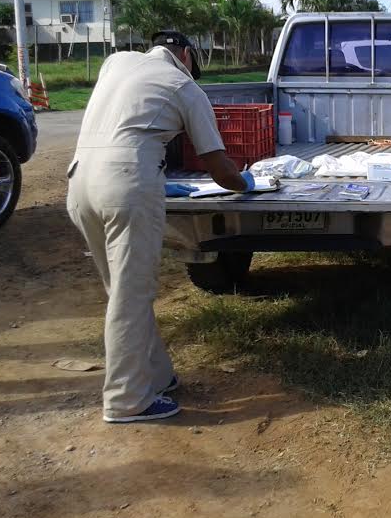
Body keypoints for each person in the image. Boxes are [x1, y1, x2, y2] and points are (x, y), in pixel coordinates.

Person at [67, 30, 255, 423]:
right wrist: (247, 183)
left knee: (121, 290)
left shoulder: (115, 62)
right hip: (127, 186)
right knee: (132, 294)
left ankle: (156, 375)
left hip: (80, 182)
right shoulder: (185, 87)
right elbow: (219, 168)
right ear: (187, 56)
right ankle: (126, 399)